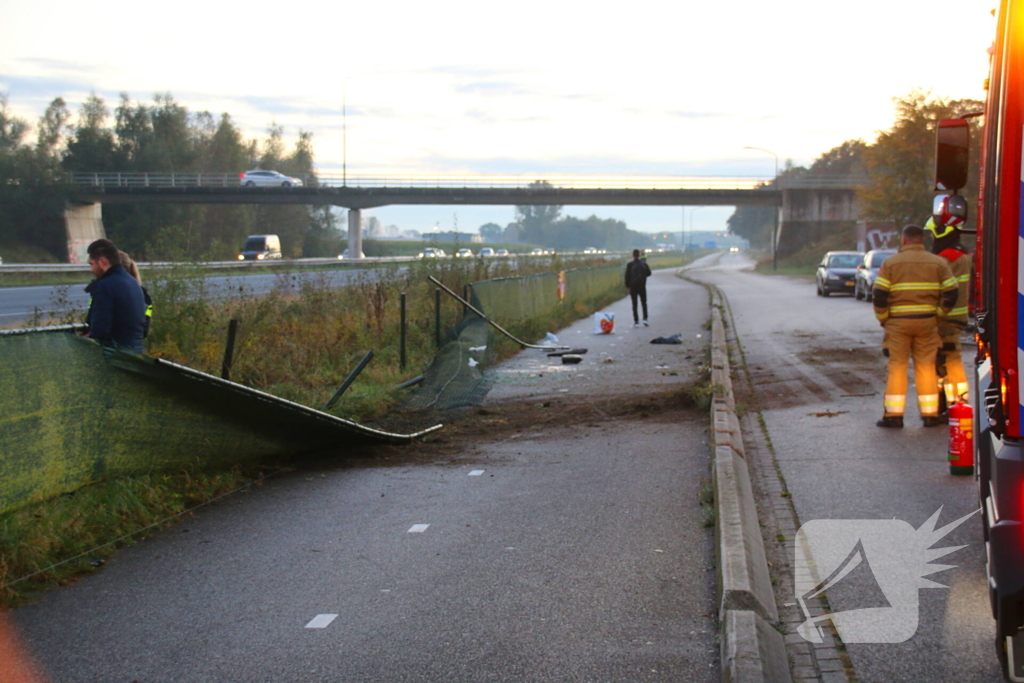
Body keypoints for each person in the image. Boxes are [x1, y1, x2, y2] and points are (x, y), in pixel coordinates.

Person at [872, 224, 958, 428]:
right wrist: (938, 314)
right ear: (922, 240)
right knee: (927, 367)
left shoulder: (891, 263)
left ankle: (893, 416)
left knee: (897, 367)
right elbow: (952, 292)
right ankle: (930, 415)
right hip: (927, 322)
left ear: (903, 240)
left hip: (898, 324)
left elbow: (879, 294)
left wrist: (884, 318)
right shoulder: (937, 262)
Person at [925, 215, 972, 414]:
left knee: (944, 361)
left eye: (931, 234)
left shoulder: (945, 258)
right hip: (957, 318)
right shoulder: (964, 255)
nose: (930, 238)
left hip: (943, 318)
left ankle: (952, 404)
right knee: (950, 359)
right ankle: (954, 402)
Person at [84, 238, 147, 353]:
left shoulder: (105, 286)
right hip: (136, 355)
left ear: (103, 262)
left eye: (92, 264)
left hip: (115, 358)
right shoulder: (133, 282)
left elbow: (100, 330)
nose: (91, 270)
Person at [625, 248, 652, 327]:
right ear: (639, 255)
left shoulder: (630, 265)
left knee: (634, 304)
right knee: (644, 302)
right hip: (642, 286)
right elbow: (649, 273)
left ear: (633, 255)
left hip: (633, 287)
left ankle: (636, 321)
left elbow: (627, 276)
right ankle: (645, 318)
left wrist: (627, 285)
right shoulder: (643, 264)